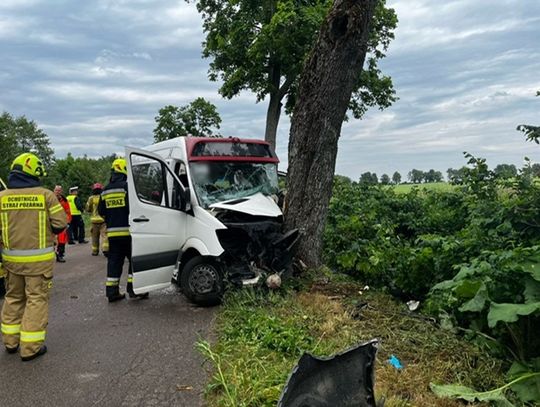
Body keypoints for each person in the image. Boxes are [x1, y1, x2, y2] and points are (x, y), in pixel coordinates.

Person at [0, 153, 67, 361]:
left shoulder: (1, 197)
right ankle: (30, 348)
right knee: (36, 300)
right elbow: (60, 224)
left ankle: (11, 343)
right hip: (38, 265)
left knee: (13, 298)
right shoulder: (46, 195)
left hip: (11, 263)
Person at [98, 158, 148, 302]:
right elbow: (135, 208)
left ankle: (112, 293)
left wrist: (111, 219)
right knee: (134, 261)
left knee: (114, 262)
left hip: (113, 234)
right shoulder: (127, 188)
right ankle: (134, 290)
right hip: (129, 233)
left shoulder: (105, 190)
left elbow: (101, 211)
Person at [86, 183, 108, 256]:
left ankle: (95, 251)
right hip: (103, 220)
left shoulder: (91, 198)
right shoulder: (104, 197)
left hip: (94, 220)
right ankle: (105, 249)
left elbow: (88, 208)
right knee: (105, 235)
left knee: (95, 237)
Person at [53, 185, 71, 262]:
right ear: (54, 191)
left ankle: (60, 254)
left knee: (62, 239)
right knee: (51, 240)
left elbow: (68, 211)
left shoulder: (64, 200)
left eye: (59, 190)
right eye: (56, 190)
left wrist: (68, 221)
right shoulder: (50, 199)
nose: (58, 192)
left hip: (61, 222)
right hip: (51, 222)